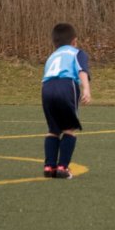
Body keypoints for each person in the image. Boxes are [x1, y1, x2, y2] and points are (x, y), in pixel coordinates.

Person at [41, 23, 92, 179]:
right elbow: (81, 70)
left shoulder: (52, 56)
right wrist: (86, 89)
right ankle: (63, 167)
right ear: (74, 41)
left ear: (54, 42)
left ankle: (49, 167)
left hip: (46, 89)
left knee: (53, 130)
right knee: (69, 129)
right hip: (66, 86)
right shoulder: (77, 53)